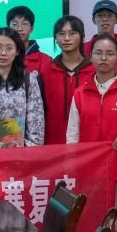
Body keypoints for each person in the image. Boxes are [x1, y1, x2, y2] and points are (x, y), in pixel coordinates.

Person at [68, 34, 117, 226]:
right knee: (90, 223)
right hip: (89, 172)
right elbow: (72, 136)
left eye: (110, 53)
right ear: (91, 57)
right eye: (98, 53)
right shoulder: (80, 94)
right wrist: (73, 166)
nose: (103, 58)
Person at [38, 16, 94, 146]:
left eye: (72, 33)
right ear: (56, 38)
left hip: (87, 142)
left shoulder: (94, 70)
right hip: (53, 142)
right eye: (61, 34)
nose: (66, 38)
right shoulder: (46, 71)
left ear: (82, 36)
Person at [6, 6, 49, 73]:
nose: (19, 29)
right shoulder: (1, 57)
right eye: (14, 24)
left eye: (24, 24)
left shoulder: (45, 60)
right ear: (8, 28)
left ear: (32, 28)